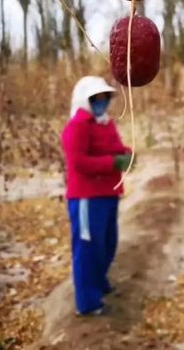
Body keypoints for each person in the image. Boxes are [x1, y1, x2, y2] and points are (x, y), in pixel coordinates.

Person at [61, 76, 133, 316]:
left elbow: (114, 149)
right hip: (87, 197)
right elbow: (79, 162)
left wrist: (127, 155)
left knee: (107, 244)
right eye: (96, 99)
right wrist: (113, 163)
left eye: (104, 98)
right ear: (85, 100)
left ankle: (99, 283)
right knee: (88, 248)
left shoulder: (106, 123)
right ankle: (88, 302)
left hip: (108, 194)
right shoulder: (78, 126)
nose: (101, 102)